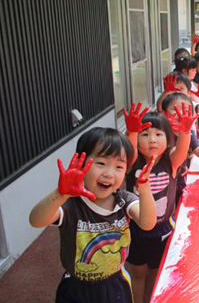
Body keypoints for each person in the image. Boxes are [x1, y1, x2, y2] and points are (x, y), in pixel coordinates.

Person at [29, 126, 157, 303]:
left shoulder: (123, 200)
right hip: (77, 287)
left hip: (116, 282)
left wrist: (144, 190)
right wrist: (60, 194)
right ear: (82, 165)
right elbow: (36, 220)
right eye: (101, 163)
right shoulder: (72, 204)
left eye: (119, 166)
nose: (109, 173)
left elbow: (147, 223)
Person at [124, 106, 197, 303]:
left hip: (161, 230)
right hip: (134, 228)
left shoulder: (170, 162)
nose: (152, 139)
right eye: (144, 134)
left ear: (168, 139)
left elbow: (182, 150)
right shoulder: (132, 164)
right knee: (138, 273)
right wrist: (131, 132)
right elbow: (128, 152)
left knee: (157, 274)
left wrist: (185, 132)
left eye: (158, 134)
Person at [162, 92, 199, 204]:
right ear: (164, 114)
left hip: (180, 181)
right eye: (177, 109)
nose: (182, 113)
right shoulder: (161, 135)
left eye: (187, 110)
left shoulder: (189, 135)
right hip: (163, 185)